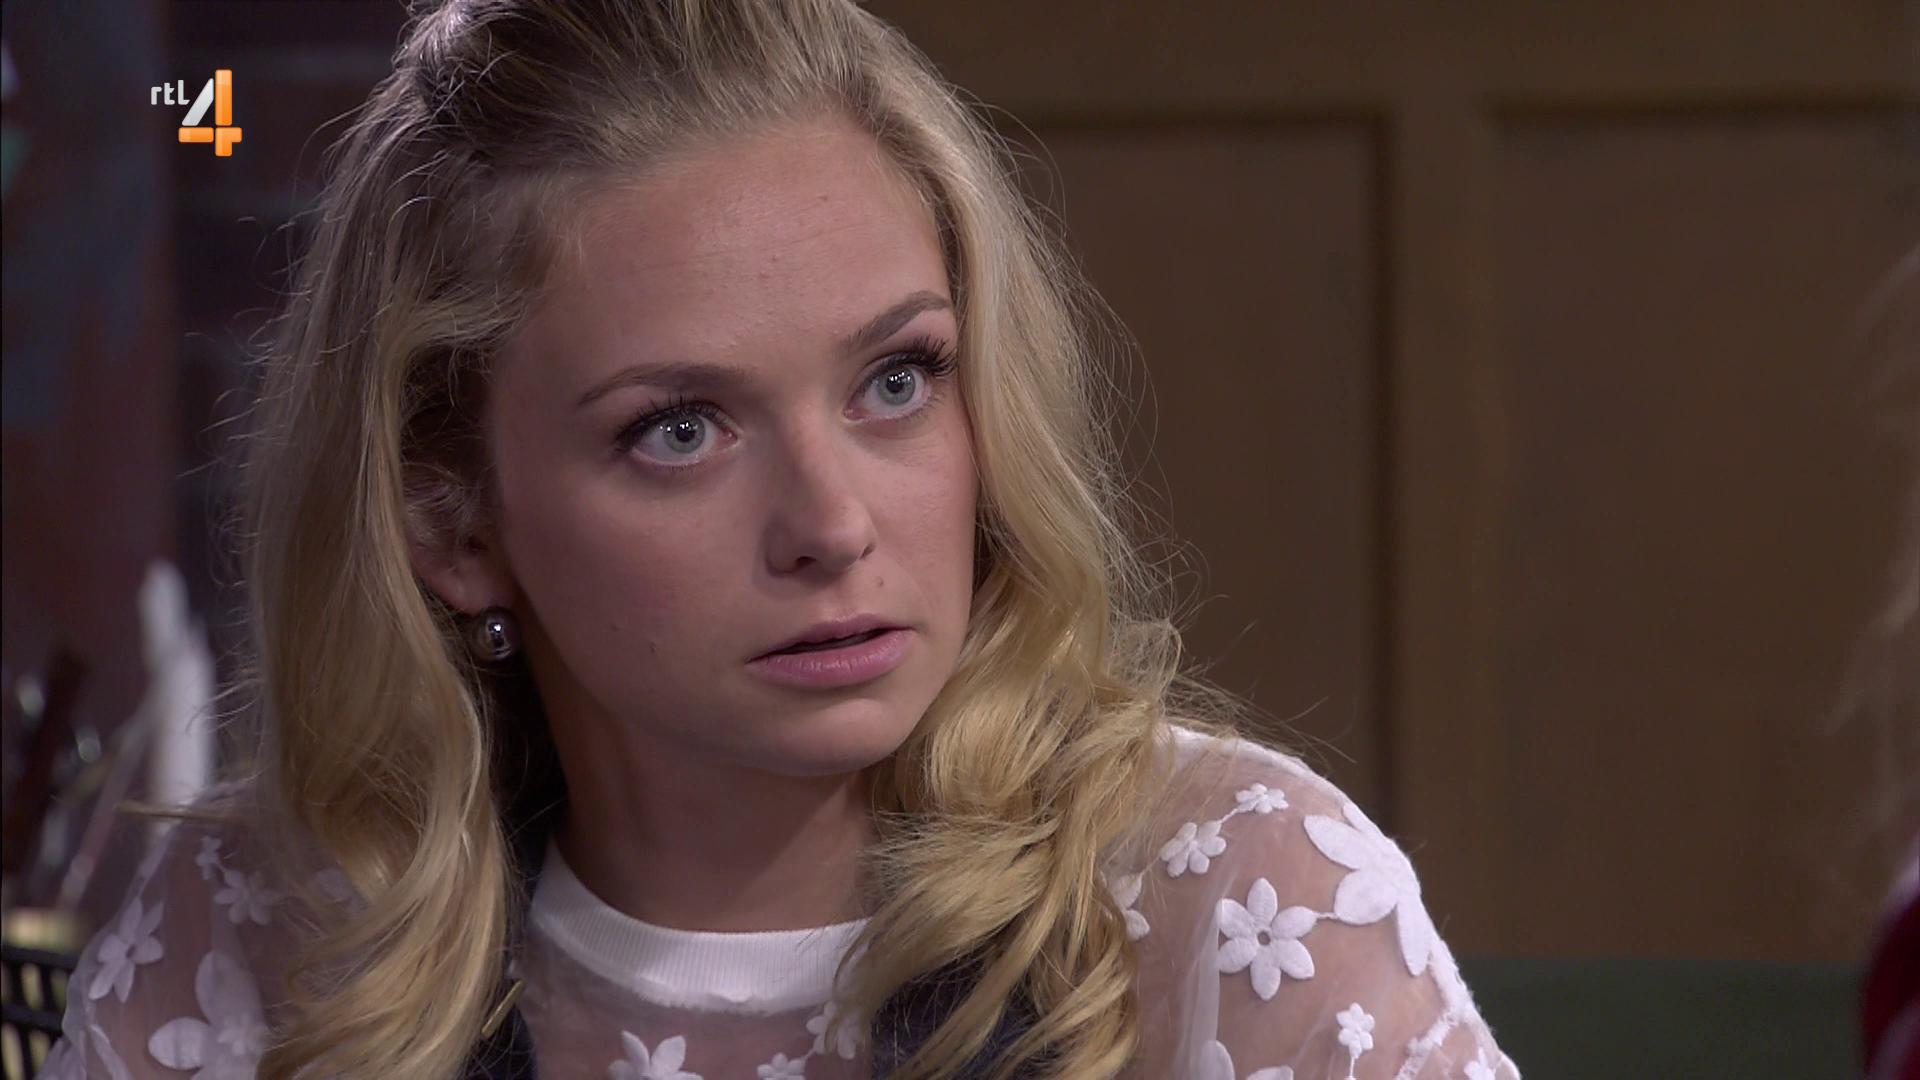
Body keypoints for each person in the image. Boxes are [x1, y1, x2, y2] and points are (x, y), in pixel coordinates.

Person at [42, 1, 1519, 1077]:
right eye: (682, 429)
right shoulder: (259, 935)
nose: (833, 524)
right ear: (453, 520)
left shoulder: (1235, 897)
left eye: (897, 381)